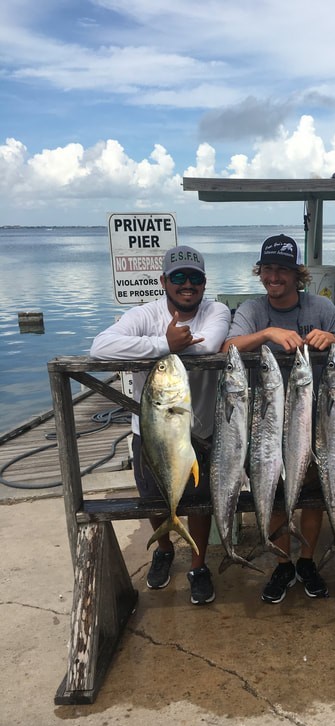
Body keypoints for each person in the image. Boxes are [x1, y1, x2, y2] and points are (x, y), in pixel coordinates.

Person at [90, 245, 231, 605]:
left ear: (204, 282)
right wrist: (161, 344)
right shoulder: (143, 315)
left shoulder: (216, 309)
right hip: (149, 429)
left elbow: (210, 345)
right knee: (153, 499)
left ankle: (199, 564)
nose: (188, 285)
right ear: (164, 281)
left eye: (195, 277)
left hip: (200, 430)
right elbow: (100, 347)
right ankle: (164, 548)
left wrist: (160, 349)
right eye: (179, 277)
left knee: (201, 501)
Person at [222, 233, 335, 604]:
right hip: (265, 423)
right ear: (260, 272)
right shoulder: (252, 310)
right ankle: (281, 561)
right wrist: (266, 334)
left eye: (282, 270)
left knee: (309, 493)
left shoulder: (322, 309)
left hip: (316, 421)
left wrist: (334, 340)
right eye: (268, 269)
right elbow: (226, 347)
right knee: (274, 492)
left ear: (298, 275)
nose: (274, 277)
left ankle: (307, 560)